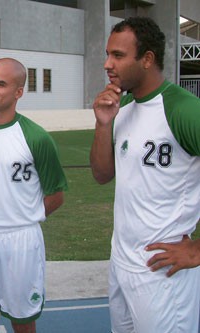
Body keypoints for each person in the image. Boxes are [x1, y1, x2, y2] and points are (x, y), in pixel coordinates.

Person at [90, 16, 200, 333]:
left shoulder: (182, 109)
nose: (108, 64)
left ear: (147, 59)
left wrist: (197, 249)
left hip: (163, 271)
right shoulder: (121, 107)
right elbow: (101, 175)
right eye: (108, 54)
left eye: (118, 56)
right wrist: (103, 124)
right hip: (122, 263)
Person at [0, 58, 67, 333]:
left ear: (19, 92)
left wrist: (22, 217)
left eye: (0, 83)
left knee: (23, 321)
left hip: (21, 240)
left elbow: (55, 195)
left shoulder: (36, 138)